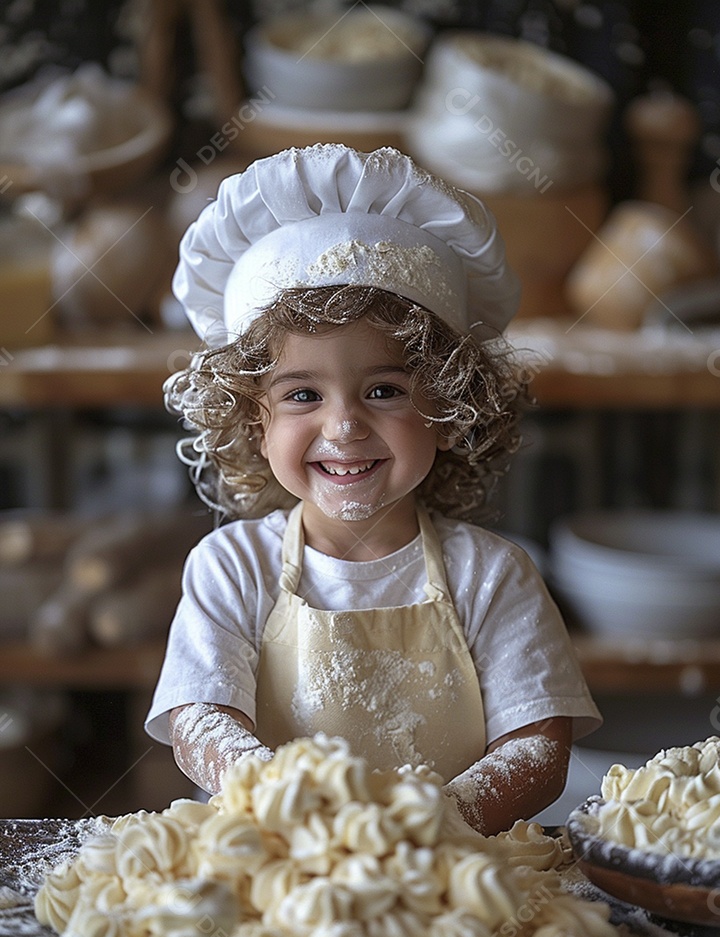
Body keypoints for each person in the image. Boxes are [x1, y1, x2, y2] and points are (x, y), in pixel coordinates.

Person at [146, 143, 601, 834]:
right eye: (302, 393)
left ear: (452, 409)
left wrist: (431, 820)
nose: (344, 425)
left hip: (446, 884)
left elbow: (537, 748)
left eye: (384, 390)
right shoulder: (233, 568)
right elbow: (201, 721)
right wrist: (278, 796)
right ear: (251, 421)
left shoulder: (491, 576)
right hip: (280, 875)